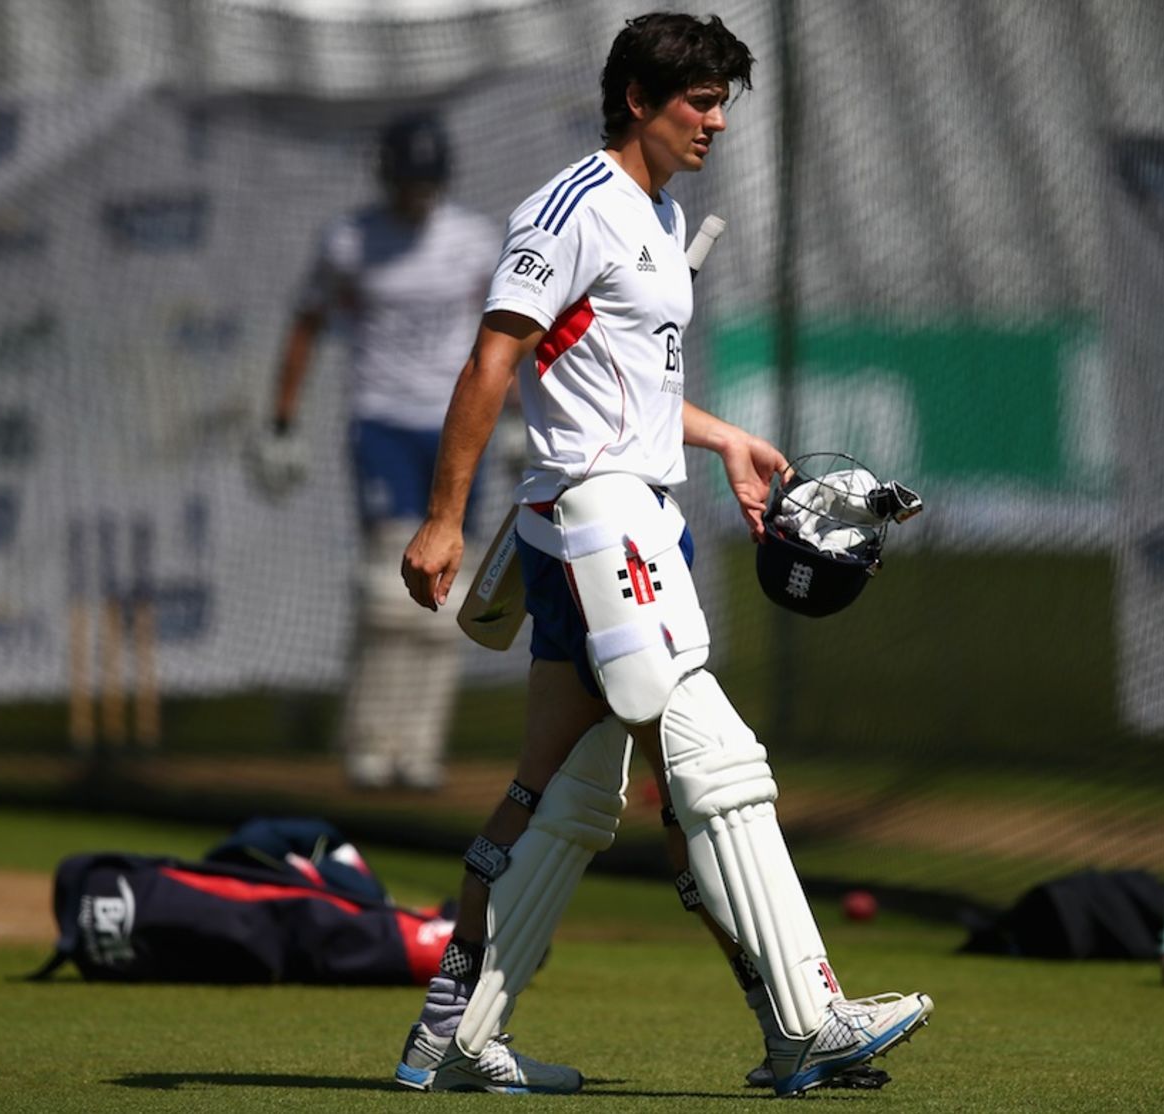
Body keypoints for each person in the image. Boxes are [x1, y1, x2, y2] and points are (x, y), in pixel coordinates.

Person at [394, 12, 933, 1097]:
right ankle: (806, 1015)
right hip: (595, 520)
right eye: (698, 99)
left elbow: (630, 385)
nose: (716, 119)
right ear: (636, 97)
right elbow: (492, 362)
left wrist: (722, 433)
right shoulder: (571, 209)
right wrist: (443, 515)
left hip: (627, 512)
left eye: (724, 99)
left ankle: (453, 1033)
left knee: (568, 793)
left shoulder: (658, 210)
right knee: (715, 761)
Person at [250, 112, 499, 791]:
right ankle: (369, 742)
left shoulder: (474, 242)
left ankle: (418, 751)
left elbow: (506, 335)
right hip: (382, 422)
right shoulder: (350, 241)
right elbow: (307, 322)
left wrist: (518, 419)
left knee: (450, 594)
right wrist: (281, 419)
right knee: (388, 591)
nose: (418, 195)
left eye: (428, 182)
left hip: (455, 427)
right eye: (407, 181)